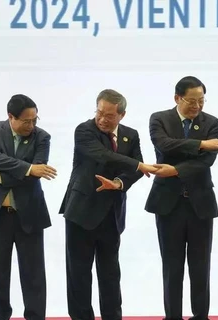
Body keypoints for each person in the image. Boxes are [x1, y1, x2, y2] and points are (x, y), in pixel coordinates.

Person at [59, 89, 157, 320]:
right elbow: (103, 155)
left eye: (109, 115)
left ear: (121, 115)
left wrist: (119, 182)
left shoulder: (130, 135)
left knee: (111, 274)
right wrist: (138, 165)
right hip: (81, 212)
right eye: (99, 112)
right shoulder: (84, 130)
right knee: (79, 274)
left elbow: (133, 171)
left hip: (111, 215)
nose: (102, 119)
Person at [144, 76, 218, 320]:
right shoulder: (159, 118)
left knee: (201, 265)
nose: (197, 106)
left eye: (201, 101)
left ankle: (201, 316)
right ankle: (173, 316)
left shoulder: (212, 122)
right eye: (192, 101)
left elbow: (206, 161)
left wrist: (177, 170)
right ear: (177, 98)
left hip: (200, 203)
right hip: (168, 203)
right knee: (172, 266)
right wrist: (202, 143)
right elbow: (165, 145)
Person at [0, 94, 56, 320]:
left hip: (29, 214)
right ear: (10, 117)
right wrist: (28, 169)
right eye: (26, 121)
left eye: (35, 119)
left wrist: (0, 178)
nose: (32, 125)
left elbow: (36, 174)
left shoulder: (42, 137)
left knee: (34, 275)